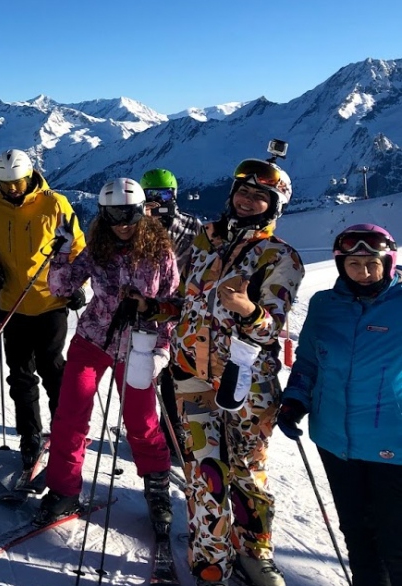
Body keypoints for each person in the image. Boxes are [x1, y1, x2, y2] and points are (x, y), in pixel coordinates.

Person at [132, 157, 304, 586]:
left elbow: (271, 328)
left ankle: (254, 551)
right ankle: (211, 560)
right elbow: (187, 301)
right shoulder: (207, 241)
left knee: (246, 472)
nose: (247, 201)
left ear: (274, 206)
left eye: (259, 197)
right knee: (205, 475)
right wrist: (158, 308)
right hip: (190, 376)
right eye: (243, 192)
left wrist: (247, 309)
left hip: (247, 384)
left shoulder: (280, 256)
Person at [37, 178, 177, 531]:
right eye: (114, 214)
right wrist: (62, 254)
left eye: (129, 214)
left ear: (142, 211)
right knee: (69, 416)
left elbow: (174, 305)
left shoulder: (160, 253)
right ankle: (63, 490)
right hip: (92, 340)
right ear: (103, 214)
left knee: (141, 421)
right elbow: (62, 287)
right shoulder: (97, 246)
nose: (122, 223)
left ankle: (157, 488)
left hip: (138, 345)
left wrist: (161, 349)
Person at [278, 223, 402, 585]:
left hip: (392, 443)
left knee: (395, 541)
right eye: (353, 264)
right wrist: (295, 400)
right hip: (334, 440)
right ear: (340, 265)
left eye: (371, 264)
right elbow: (308, 361)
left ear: (388, 262)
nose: (363, 273)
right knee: (357, 535)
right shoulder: (323, 305)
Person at [0, 149, 86, 473]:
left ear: (30, 176)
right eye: (5, 184)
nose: (12, 189)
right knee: (21, 374)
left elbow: (76, 247)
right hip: (13, 304)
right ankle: (30, 436)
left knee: (52, 368)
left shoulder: (55, 203)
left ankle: (64, 433)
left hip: (51, 301)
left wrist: (75, 285)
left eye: (18, 182)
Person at [140, 167, 204, 458]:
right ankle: (149, 428)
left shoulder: (193, 226)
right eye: (150, 195)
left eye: (163, 195)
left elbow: (205, 260)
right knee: (145, 369)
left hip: (182, 311)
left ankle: (174, 429)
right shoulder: (137, 227)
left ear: (174, 195)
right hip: (148, 310)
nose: (157, 201)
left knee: (174, 374)